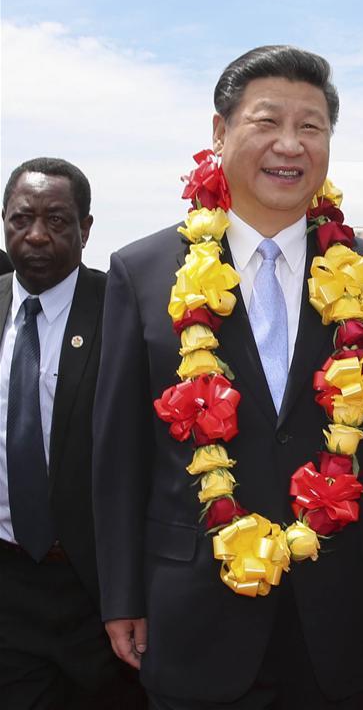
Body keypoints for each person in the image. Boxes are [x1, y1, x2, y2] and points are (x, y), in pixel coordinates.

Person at [92, 45, 363, 709]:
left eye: (311, 127)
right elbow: (118, 455)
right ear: (219, 132)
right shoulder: (141, 271)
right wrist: (120, 594)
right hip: (191, 608)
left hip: (336, 610)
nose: (289, 145)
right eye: (267, 122)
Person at [0, 158, 143, 708]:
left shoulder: (124, 312)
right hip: (9, 584)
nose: (36, 235)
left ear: (85, 228)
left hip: (99, 592)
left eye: (57, 221)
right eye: (21, 219)